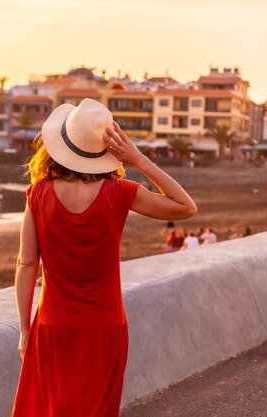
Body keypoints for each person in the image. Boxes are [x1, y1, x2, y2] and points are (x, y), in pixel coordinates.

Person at [11, 99, 197, 416]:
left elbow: (27, 264)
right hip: (105, 325)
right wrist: (139, 161)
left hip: (53, 325)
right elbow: (185, 207)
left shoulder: (38, 193)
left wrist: (25, 330)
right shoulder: (121, 192)